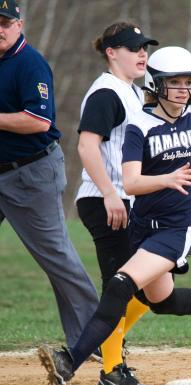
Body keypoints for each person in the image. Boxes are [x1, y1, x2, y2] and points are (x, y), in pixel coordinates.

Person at [38, 46, 191, 385]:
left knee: (119, 284)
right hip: (144, 226)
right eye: (174, 82)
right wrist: (167, 179)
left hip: (178, 228)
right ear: (156, 85)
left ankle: (71, 360)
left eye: (188, 82)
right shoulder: (139, 125)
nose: (183, 89)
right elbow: (131, 183)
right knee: (161, 301)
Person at [0, 1, 100, 351]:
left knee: (55, 255)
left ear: (19, 25)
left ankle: (96, 337)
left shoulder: (30, 63)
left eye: (5, 22)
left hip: (31, 173)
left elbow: (37, 121)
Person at [74, 22, 159, 385]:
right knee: (121, 286)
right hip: (104, 199)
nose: (142, 53)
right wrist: (110, 194)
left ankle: (104, 339)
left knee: (152, 282)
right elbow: (86, 147)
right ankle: (112, 369)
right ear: (111, 52)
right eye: (132, 47)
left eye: (144, 47)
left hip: (128, 201)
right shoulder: (106, 93)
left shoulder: (135, 93)